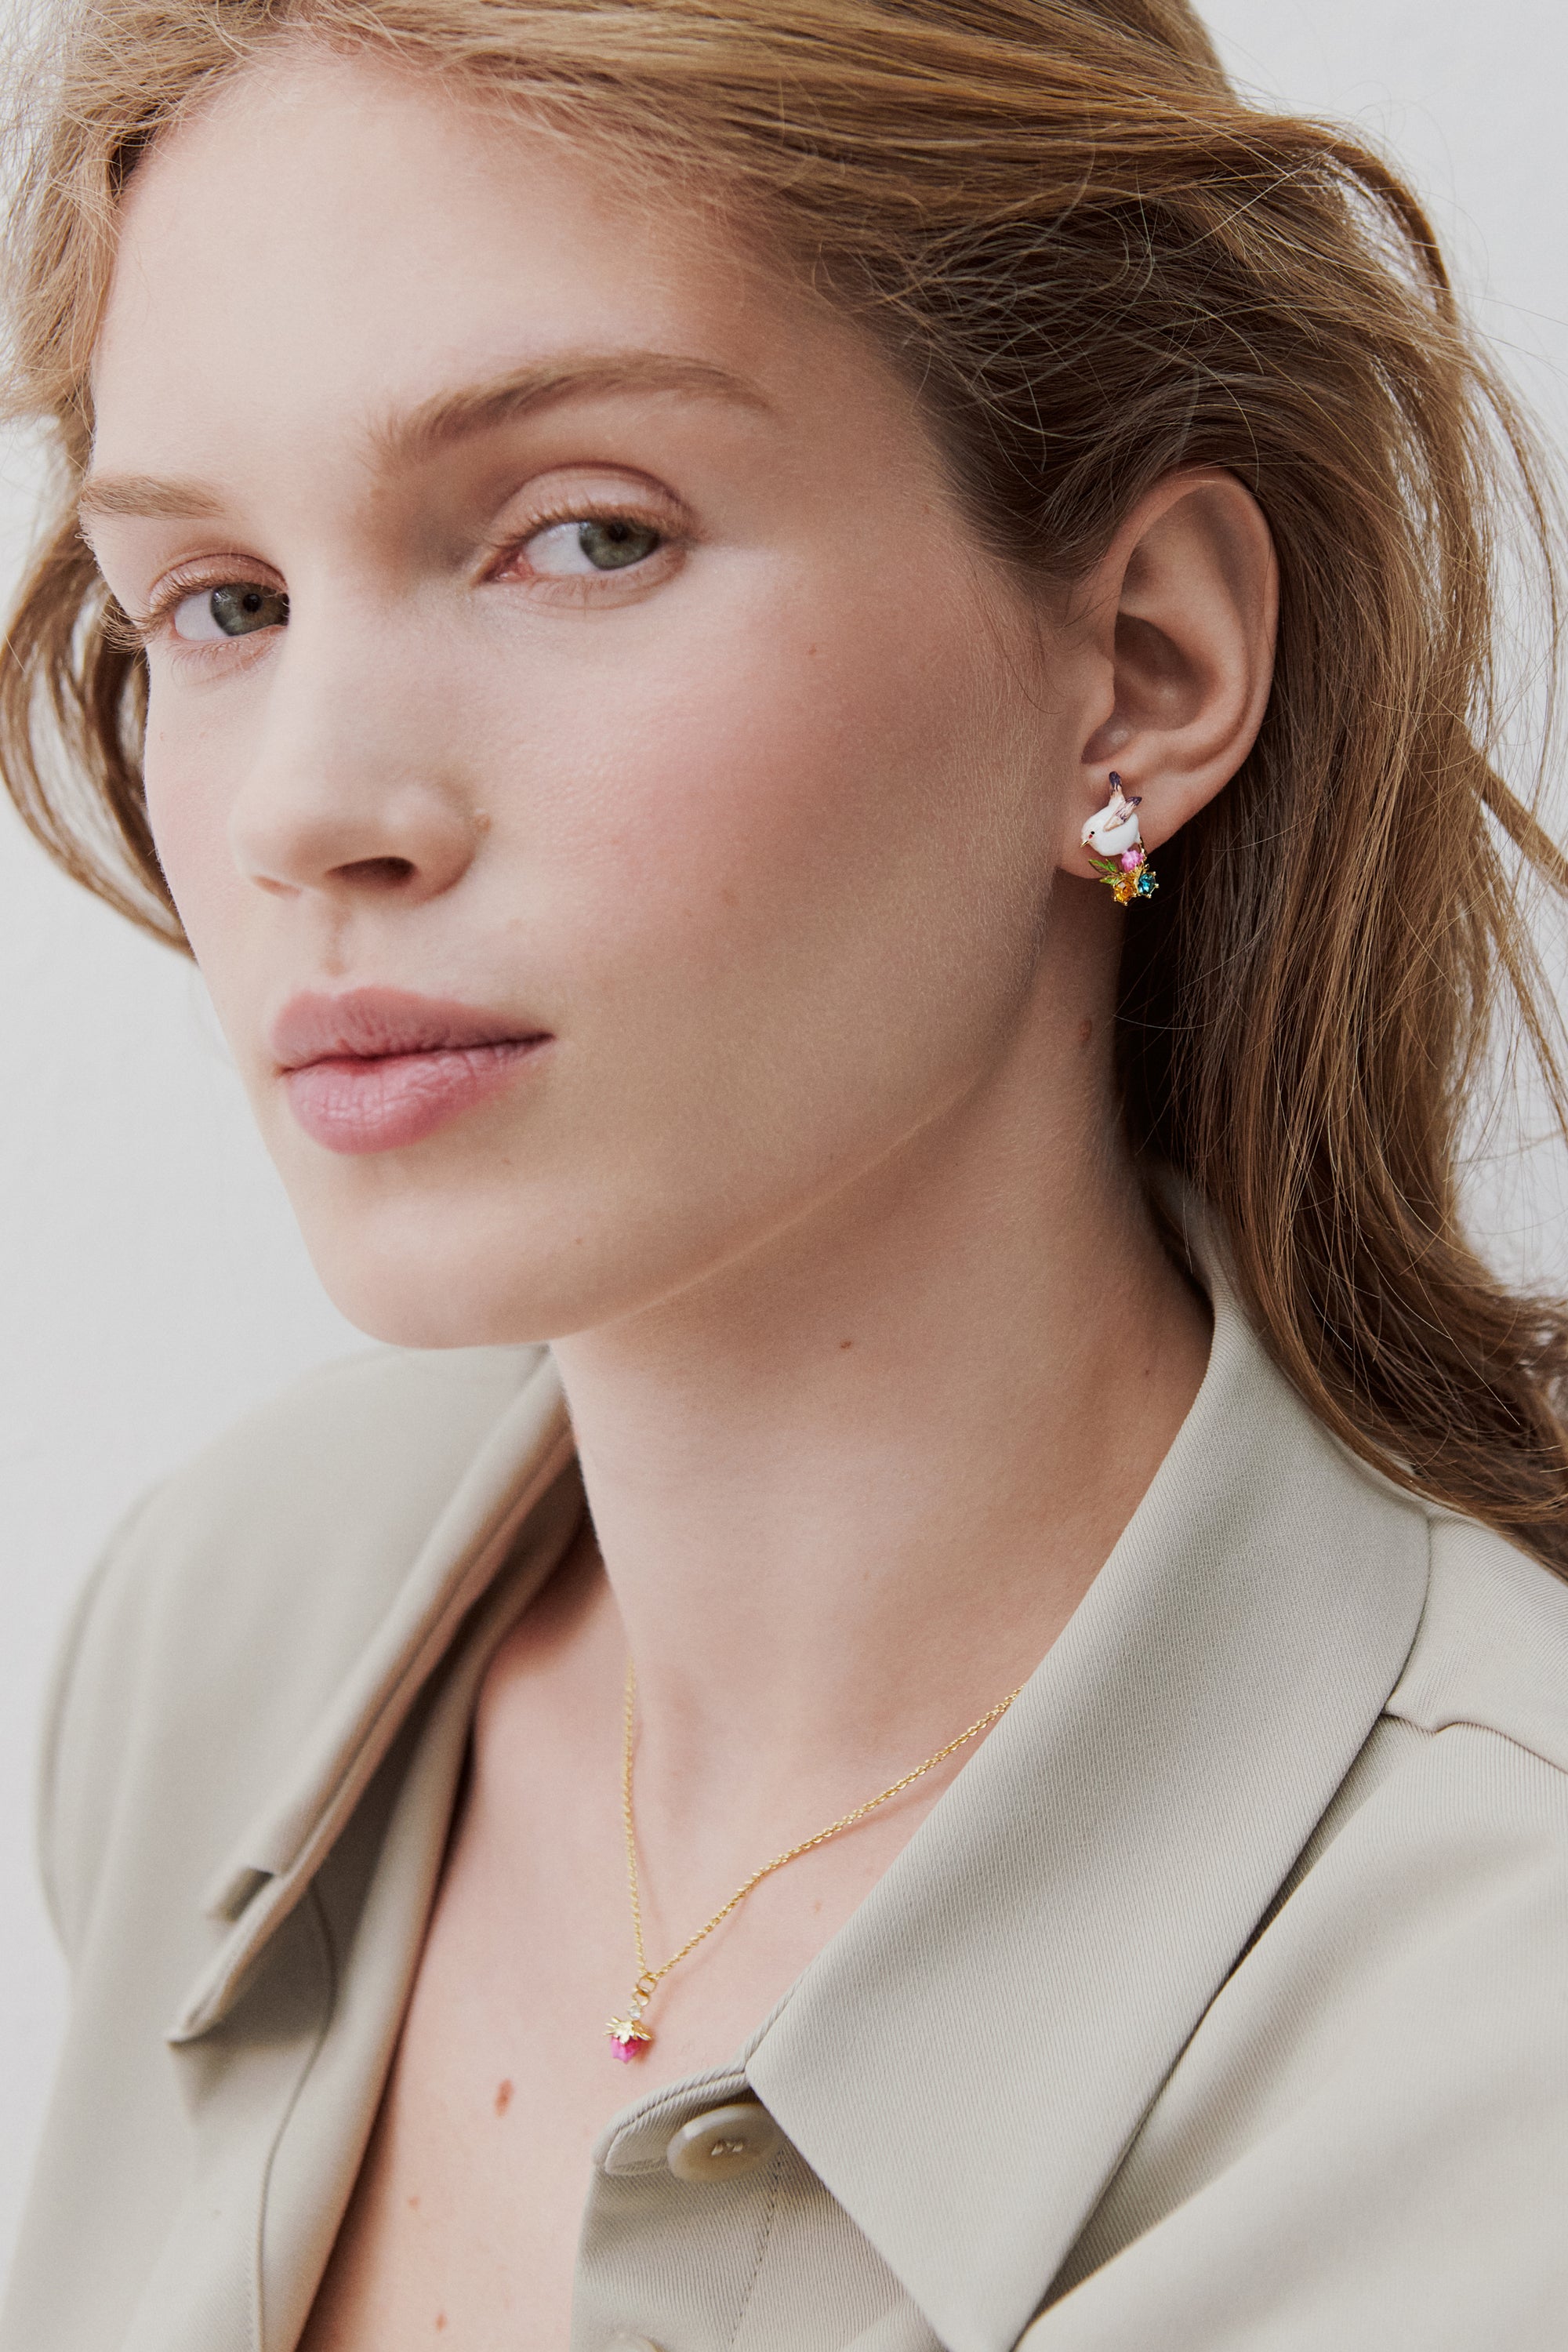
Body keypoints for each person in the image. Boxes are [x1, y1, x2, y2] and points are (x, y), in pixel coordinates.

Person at [2, 1, 1566, 2346]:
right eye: (219, 603)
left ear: (1139, 665)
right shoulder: (235, 1624)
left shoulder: (1496, 2051)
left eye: (583, 536)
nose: (305, 806)